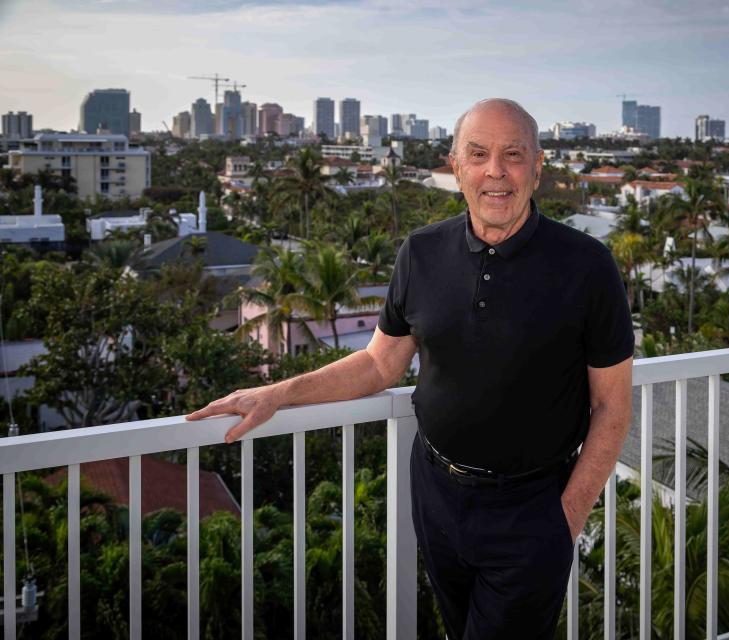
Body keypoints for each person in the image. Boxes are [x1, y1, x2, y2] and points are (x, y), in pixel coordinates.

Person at [187, 98, 634, 639]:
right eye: (479, 154)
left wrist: (565, 519)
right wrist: (277, 394)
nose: (496, 170)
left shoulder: (587, 266)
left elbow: (611, 405)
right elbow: (378, 364)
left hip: (532, 509)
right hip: (437, 495)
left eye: (513, 155)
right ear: (455, 165)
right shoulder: (421, 253)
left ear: (537, 167)